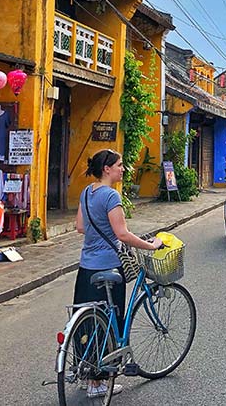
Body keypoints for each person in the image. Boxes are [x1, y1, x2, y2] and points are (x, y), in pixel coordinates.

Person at [75, 149, 163, 399]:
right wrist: (151, 245)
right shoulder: (111, 196)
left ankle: (87, 372)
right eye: (120, 165)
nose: (123, 169)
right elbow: (123, 234)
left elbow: (80, 227)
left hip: (86, 267)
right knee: (109, 319)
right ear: (107, 169)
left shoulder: (86, 192)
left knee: (88, 320)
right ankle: (99, 382)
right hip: (109, 267)